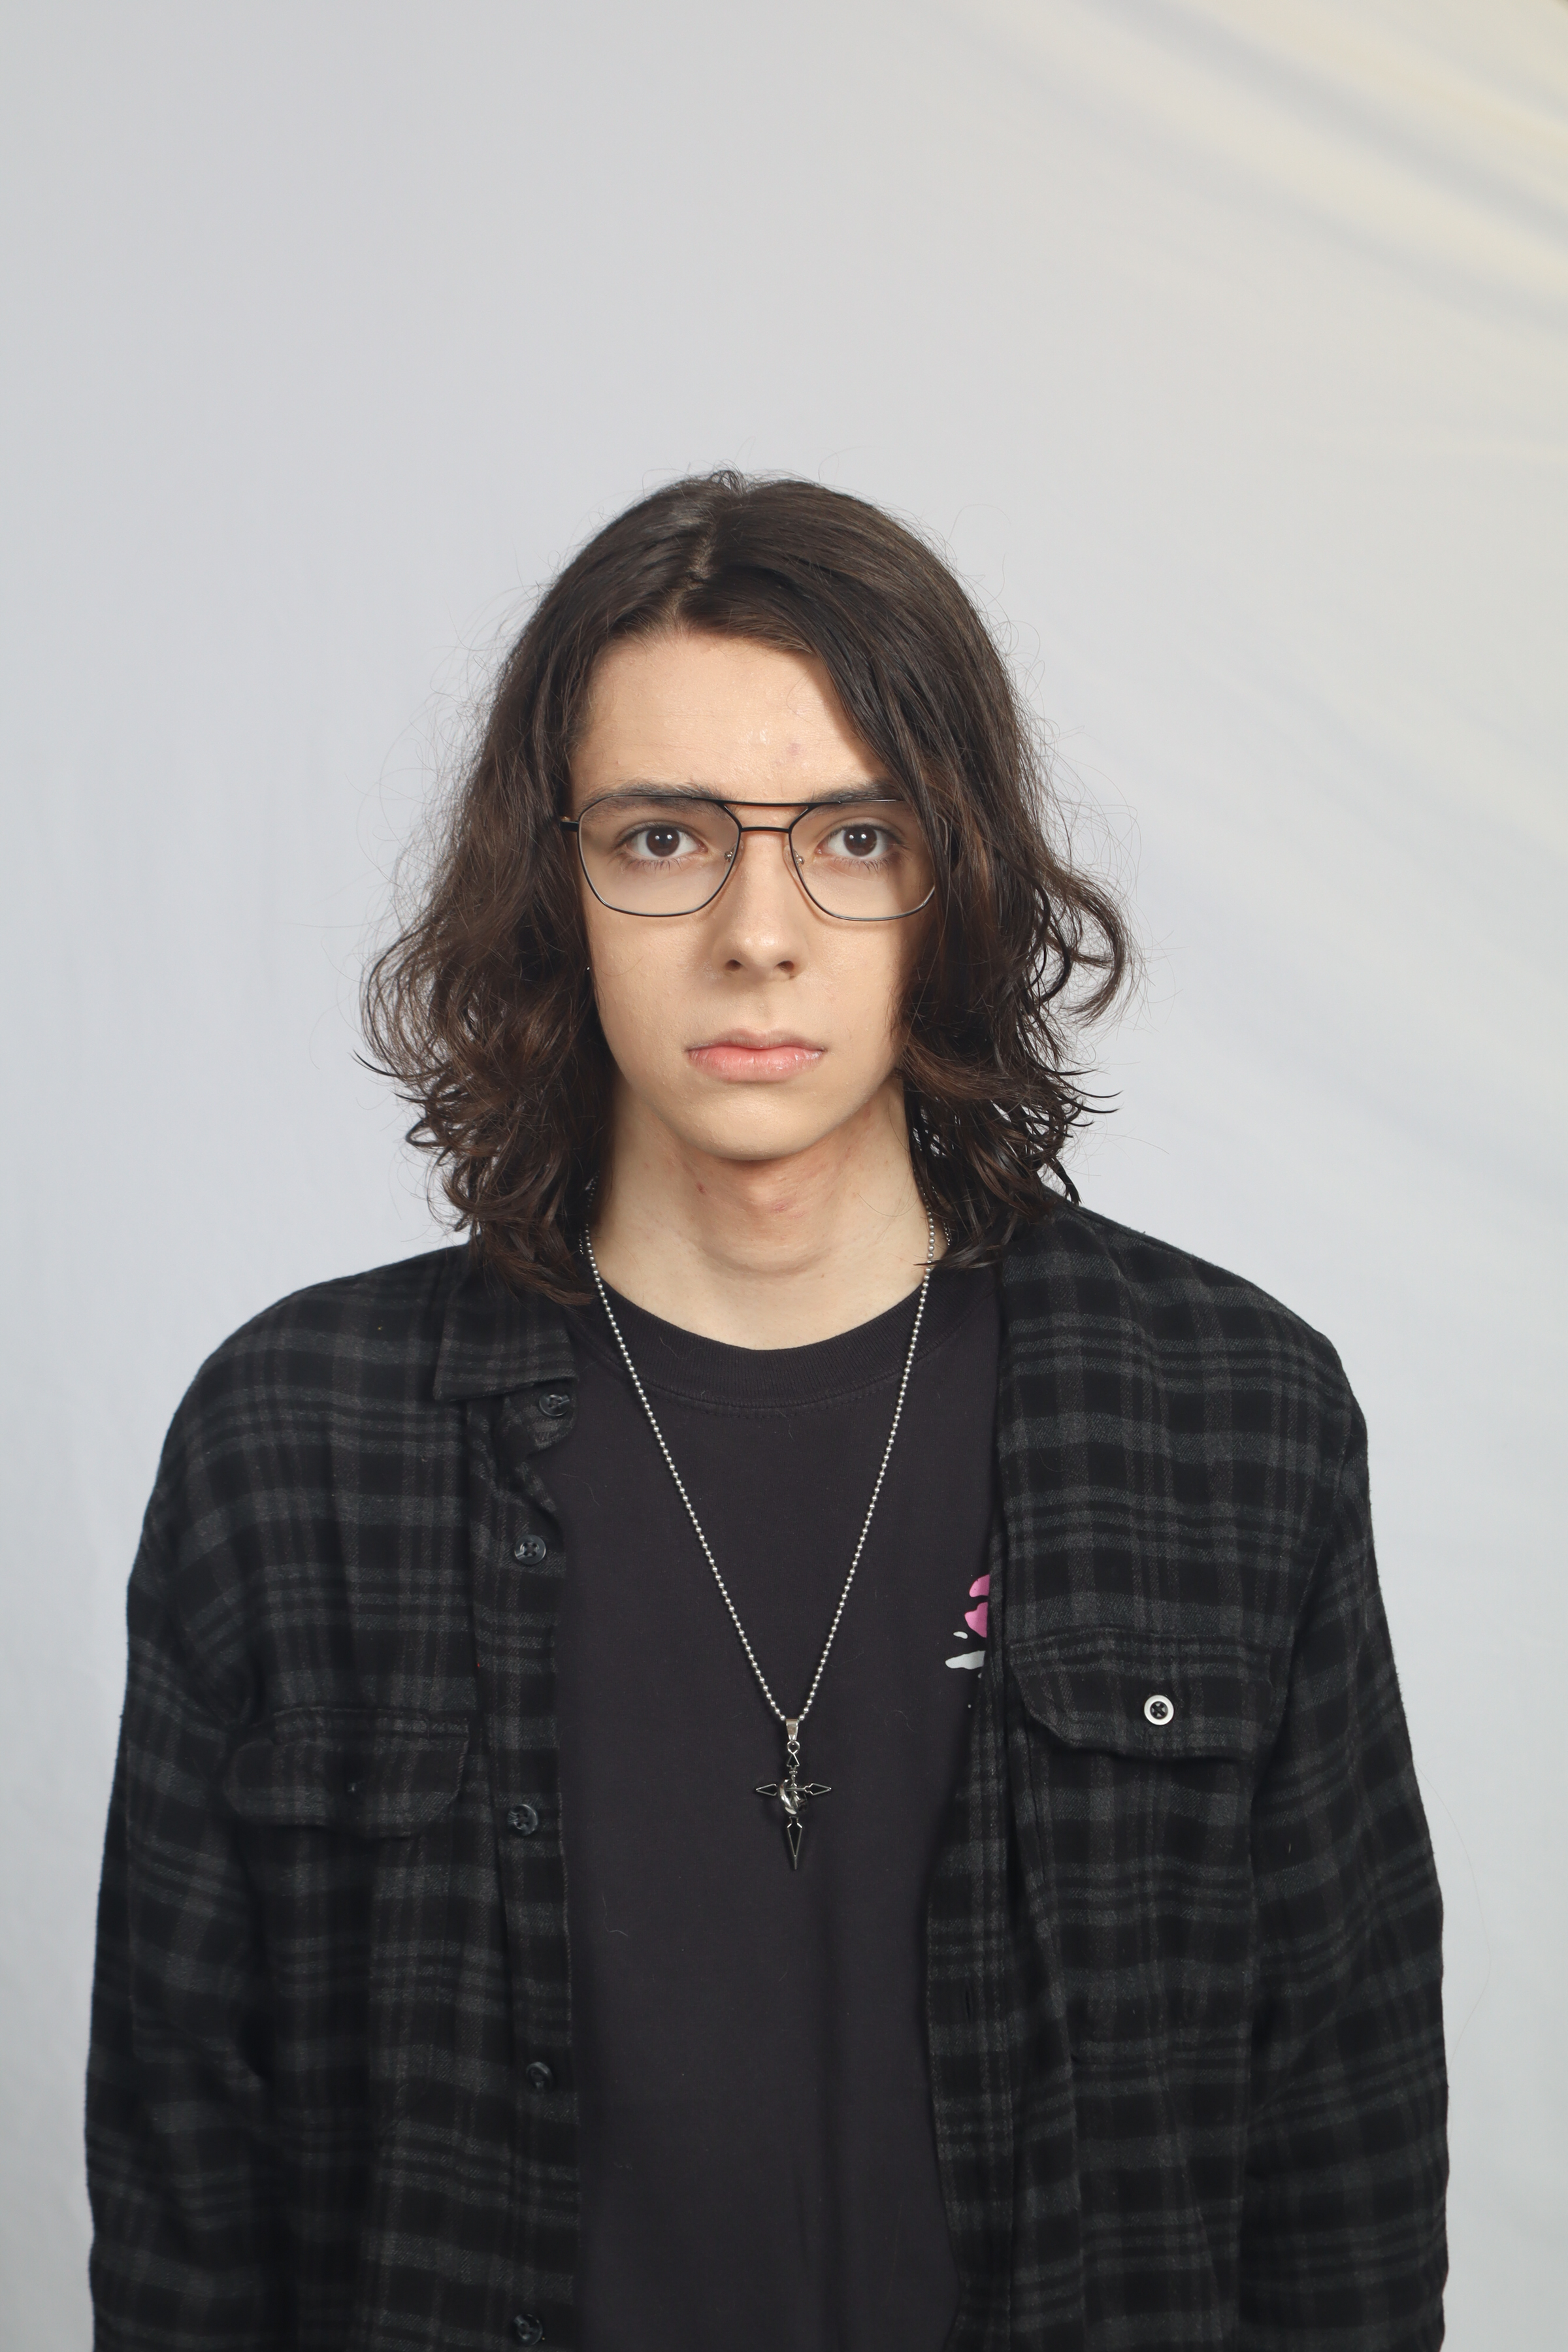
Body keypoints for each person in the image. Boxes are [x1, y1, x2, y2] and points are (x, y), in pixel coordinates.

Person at [86, 472, 1447, 2351]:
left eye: (855, 838)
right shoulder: (295, 1443)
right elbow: (184, 2197)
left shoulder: (1230, 1415)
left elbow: (1345, 2171)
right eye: (663, 837)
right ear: (552, 882)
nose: (758, 932)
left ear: (959, 880)